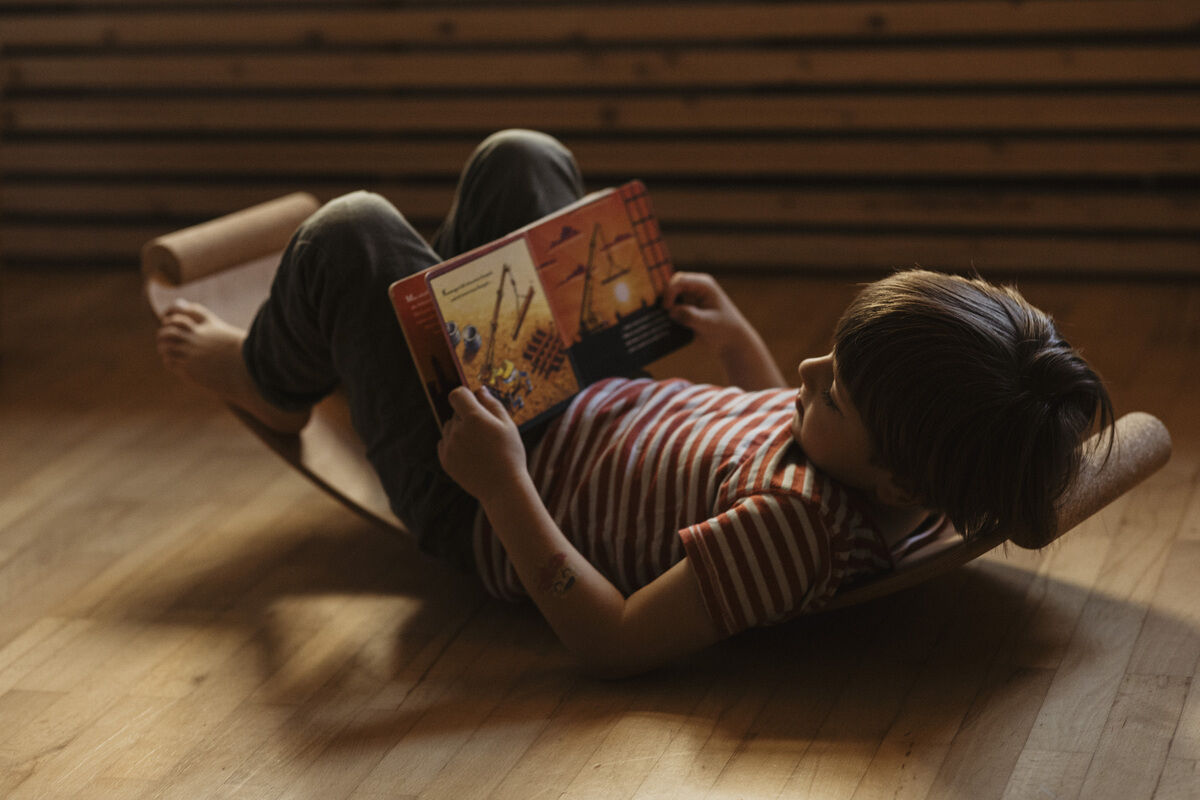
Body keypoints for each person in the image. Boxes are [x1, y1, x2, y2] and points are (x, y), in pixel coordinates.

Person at [157, 130, 1113, 678]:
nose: (809, 371)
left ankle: (273, 381)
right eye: (829, 357)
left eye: (832, 387)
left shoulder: (797, 531)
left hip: (485, 487)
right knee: (521, 160)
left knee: (352, 232)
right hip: (565, 393)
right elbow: (768, 437)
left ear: (898, 470)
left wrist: (499, 487)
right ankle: (406, 313)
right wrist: (741, 345)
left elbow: (611, 640)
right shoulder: (892, 466)